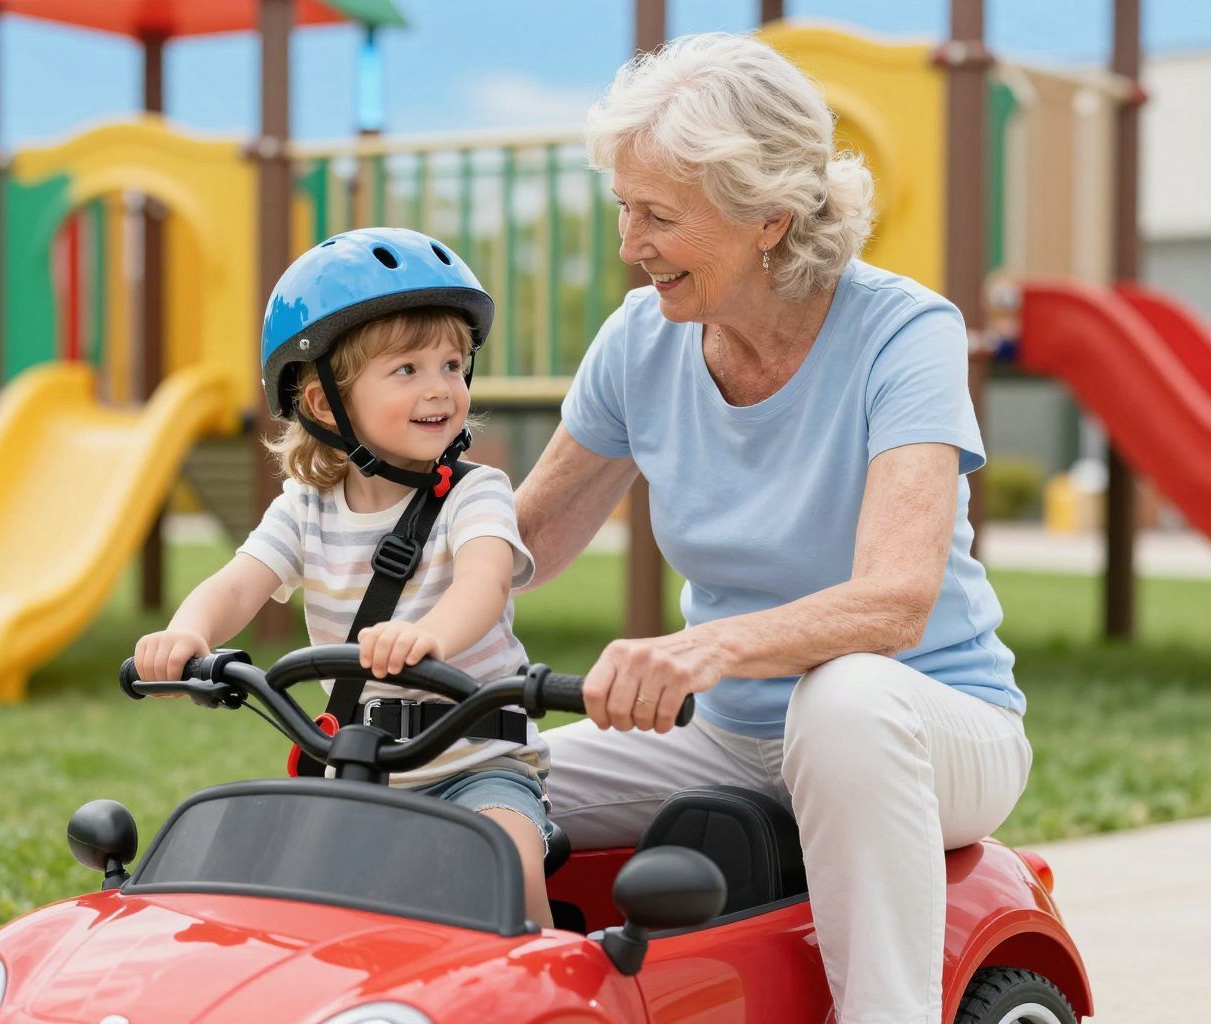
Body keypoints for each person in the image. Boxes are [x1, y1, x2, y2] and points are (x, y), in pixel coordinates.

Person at [512, 33, 1032, 1023]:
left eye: (658, 215)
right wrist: (366, 569)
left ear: (769, 219)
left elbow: (898, 599)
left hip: (925, 722)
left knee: (841, 700)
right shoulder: (641, 341)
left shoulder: (905, 334)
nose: (630, 242)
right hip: (729, 737)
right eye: (625, 207)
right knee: (477, 771)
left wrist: (705, 646)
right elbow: (523, 541)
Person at [133, 227, 554, 927]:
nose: (441, 389)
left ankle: (544, 977)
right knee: (291, 900)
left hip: (475, 767)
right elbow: (238, 581)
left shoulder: (476, 492)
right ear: (326, 403)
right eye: (407, 370)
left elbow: (483, 585)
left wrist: (427, 637)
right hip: (359, 770)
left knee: (508, 863)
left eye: (452, 364)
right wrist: (187, 632)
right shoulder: (305, 509)